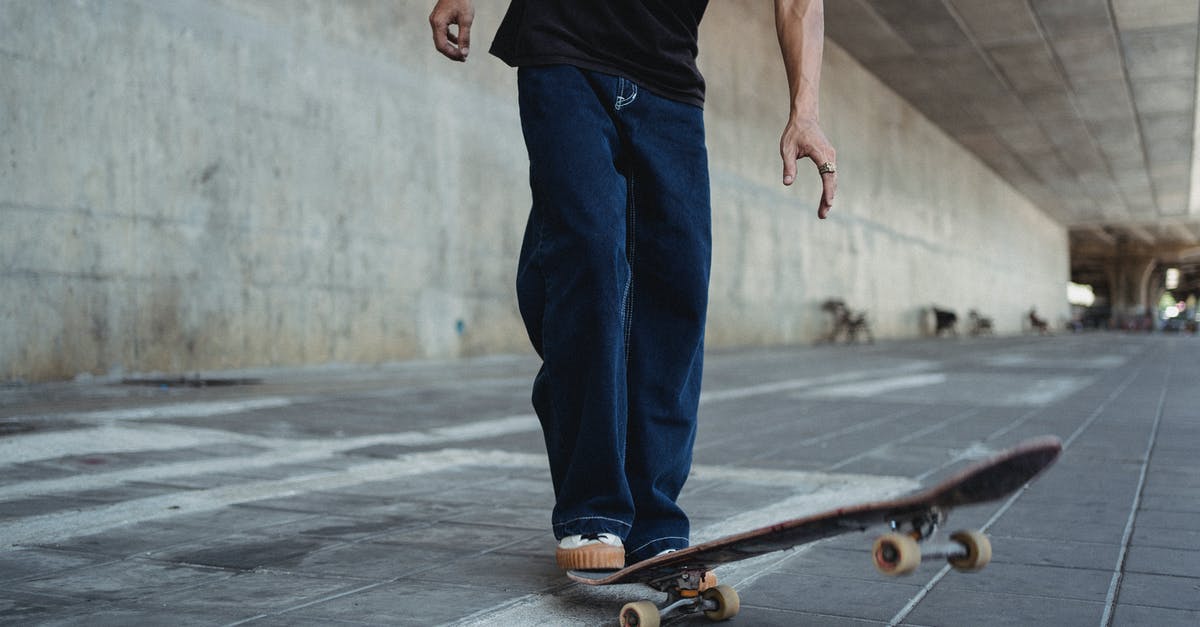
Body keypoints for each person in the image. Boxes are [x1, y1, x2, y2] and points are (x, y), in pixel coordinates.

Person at [429, 0, 837, 570]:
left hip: (668, 77)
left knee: (678, 290)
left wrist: (806, 108)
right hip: (563, 41)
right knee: (589, 256)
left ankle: (652, 515)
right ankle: (593, 507)